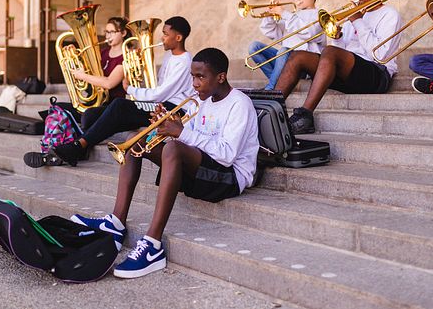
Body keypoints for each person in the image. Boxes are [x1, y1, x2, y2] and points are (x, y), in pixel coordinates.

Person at [70, 47, 259, 278]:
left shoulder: (239, 103)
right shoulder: (201, 101)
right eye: (192, 76)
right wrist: (165, 125)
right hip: (202, 171)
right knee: (134, 141)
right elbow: (188, 138)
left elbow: (226, 154)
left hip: (228, 178)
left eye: (201, 77)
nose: (195, 83)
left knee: (173, 148)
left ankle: (152, 245)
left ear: (221, 77)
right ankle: (116, 222)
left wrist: (179, 134)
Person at [52, 16, 195, 166]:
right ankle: (81, 147)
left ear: (178, 37)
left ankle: (78, 146)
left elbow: (161, 94)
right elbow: (158, 90)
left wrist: (130, 89)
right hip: (161, 104)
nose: (161, 37)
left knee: (120, 105)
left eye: (166, 34)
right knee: (91, 115)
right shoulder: (169, 57)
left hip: (174, 110)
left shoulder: (185, 61)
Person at [275, 0, 402, 134]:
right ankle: (272, 109)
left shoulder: (390, 15)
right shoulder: (353, 15)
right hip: (352, 74)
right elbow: (341, 52)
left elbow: (380, 55)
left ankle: (305, 114)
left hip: (377, 74)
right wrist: (336, 36)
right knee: (298, 56)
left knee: (330, 52)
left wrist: (357, 21)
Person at [23, 16, 131, 168]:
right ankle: (49, 149)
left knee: (88, 116)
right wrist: (76, 59)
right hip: (97, 101)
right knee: (57, 109)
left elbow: (109, 83)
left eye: (112, 32)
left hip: (113, 105)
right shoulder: (103, 53)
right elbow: (91, 79)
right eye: (106, 32)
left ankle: (66, 151)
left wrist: (83, 75)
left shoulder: (126, 56)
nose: (108, 36)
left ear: (124, 33)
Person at [247, 0, 324, 90]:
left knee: (283, 50)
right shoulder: (293, 16)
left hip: (304, 65)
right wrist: (270, 15)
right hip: (284, 60)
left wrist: (284, 13)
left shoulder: (320, 15)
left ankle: (271, 88)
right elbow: (273, 33)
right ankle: (283, 83)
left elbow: (309, 32)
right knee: (254, 47)